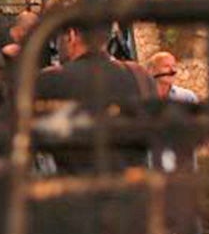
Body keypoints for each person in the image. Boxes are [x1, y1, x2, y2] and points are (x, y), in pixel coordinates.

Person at [36, 24, 153, 170]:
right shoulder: (140, 75)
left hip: (76, 189)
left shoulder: (50, 80)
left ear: (71, 35)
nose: (57, 47)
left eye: (58, 39)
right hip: (135, 188)